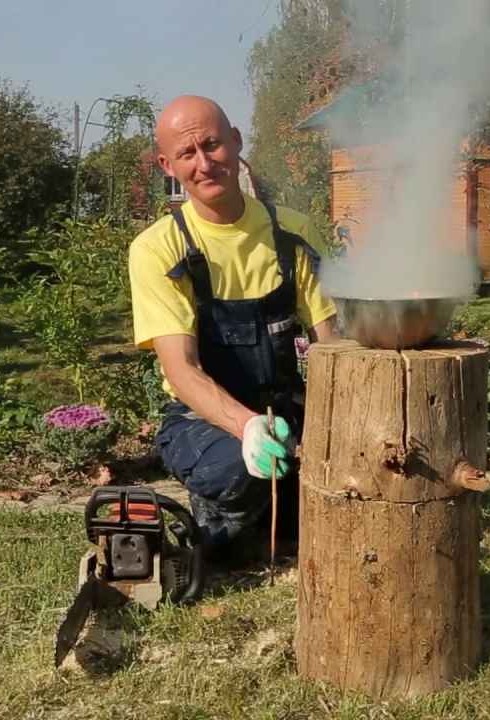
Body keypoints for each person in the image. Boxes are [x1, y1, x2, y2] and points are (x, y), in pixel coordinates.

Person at [128, 95, 338, 562]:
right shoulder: (158, 249)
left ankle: (283, 515)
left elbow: (333, 340)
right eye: (187, 154)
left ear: (237, 142)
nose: (204, 163)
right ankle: (222, 518)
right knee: (238, 474)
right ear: (168, 165)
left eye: (213, 145)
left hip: (286, 410)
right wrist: (247, 429)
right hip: (202, 422)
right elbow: (181, 370)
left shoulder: (293, 233)